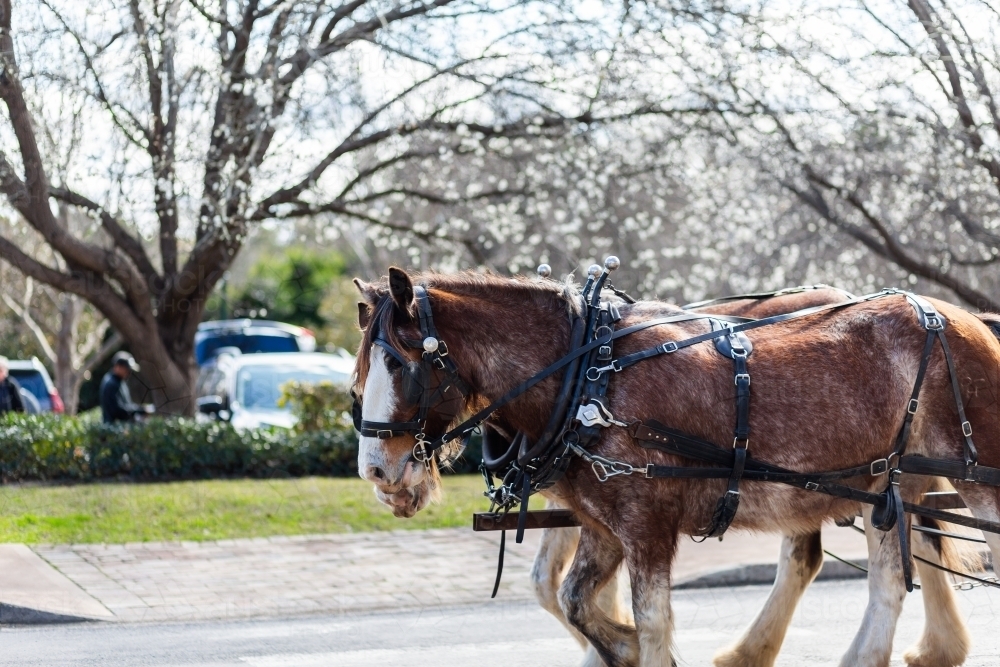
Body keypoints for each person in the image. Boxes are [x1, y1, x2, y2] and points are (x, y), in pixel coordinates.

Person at [100, 351, 144, 423]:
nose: (129, 372)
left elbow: (126, 405)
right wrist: (139, 411)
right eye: (127, 369)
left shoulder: (119, 381)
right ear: (118, 367)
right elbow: (116, 410)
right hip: (114, 428)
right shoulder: (111, 383)